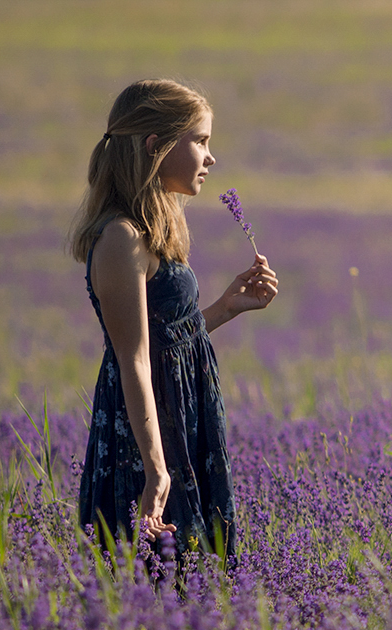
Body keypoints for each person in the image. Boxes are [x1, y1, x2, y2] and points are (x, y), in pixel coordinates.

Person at [68, 79, 278, 562]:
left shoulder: (151, 228)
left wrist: (226, 307)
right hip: (150, 432)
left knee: (194, 575)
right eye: (200, 141)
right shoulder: (121, 237)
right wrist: (156, 468)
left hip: (182, 420)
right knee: (155, 576)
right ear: (155, 146)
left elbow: (164, 341)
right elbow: (134, 359)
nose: (211, 157)